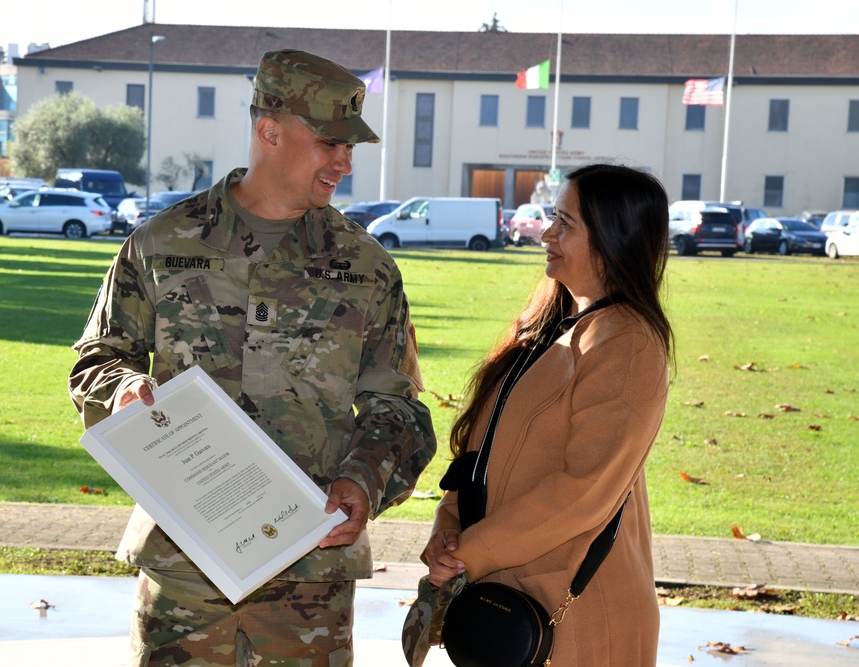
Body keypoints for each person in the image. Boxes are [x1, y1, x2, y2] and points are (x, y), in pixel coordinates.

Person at [69, 48, 436, 666]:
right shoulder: (161, 245)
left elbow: (397, 407)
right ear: (269, 132)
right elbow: (97, 360)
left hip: (308, 584)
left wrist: (364, 481)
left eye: (351, 147)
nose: (345, 161)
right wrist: (126, 391)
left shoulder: (366, 267)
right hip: (183, 577)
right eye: (330, 142)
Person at [419, 163, 673, 666]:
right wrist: (446, 532)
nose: (546, 233)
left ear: (613, 238)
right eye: (552, 218)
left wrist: (469, 552)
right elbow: (479, 457)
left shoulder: (626, 343)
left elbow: (584, 489)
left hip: (576, 616)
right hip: (510, 600)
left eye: (566, 223)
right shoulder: (551, 330)